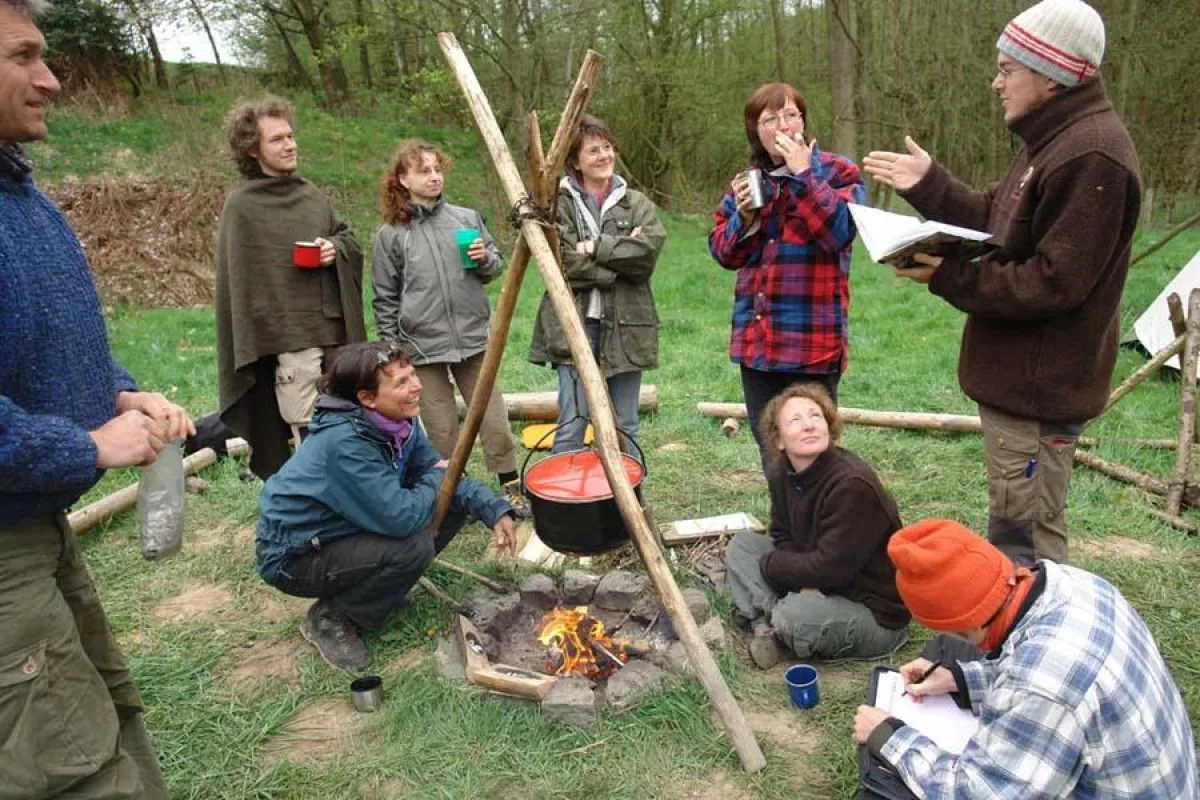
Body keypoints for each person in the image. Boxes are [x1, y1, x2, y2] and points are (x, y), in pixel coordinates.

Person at [862, 0, 1140, 566]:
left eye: (1008, 68)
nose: (996, 83)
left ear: (1053, 74)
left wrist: (950, 275)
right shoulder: (1054, 141)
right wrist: (930, 184)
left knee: (1026, 540)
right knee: (1015, 521)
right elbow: (997, 217)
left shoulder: (1092, 156)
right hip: (1021, 385)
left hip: (1038, 391)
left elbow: (1053, 283)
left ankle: (1035, 645)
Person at [0, 2, 193, 793]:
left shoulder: (21, 196)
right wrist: (86, 446)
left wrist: (117, 394)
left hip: (34, 518)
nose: (51, 78)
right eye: (23, 57)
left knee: (106, 709)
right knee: (65, 767)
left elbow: (39, 343)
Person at [852, 519, 1198, 798]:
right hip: (1151, 777)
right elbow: (1040, 669)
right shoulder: (1072, 582)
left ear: (959, 623)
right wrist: (960, 681)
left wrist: (890, 736)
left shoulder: (1042, 687)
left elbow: (979, 792)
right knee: (952, 660)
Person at [255, 342, 518, 672]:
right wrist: (439, 478)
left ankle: (377, 592)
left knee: (448, 504)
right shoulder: (345, 442)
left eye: (413, 376)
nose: (417, 385)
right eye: (402, 383)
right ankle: (332, 616)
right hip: (295, 555)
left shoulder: (397, 424)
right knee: (412, 544)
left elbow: (438, 475)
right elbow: (402, 516)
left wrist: (493, 508)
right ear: (367, 398)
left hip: (340, 531)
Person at [709, 82, 866, 466]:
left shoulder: (838, 173)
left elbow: (839, 233)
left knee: (813, 451)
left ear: (804, 122)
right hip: (758, 344)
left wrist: (803, 176)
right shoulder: (748, 181)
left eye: (791, 115)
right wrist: (743, 219)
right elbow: (724, 253)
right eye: (770, 119)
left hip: (810, 343)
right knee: (771, 449)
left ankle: (820, 524)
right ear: (756, 132)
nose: (783, 125)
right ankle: (785, 525)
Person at [215, 96, 367, 481]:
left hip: (332, 332)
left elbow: (347, 236)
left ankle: (350, 492)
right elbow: (240, 283)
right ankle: (314, 501)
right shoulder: (241, 206)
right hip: (285, 344)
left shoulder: (311, 194)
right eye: (277, 139)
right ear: (253, 149)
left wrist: (336, 249)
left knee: (349, 420)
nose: (290, 144)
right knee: (308, 429)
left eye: (291, 136)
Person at [372, 140, 527, 513]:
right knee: (441, 429)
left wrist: (483, 259)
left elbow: (493, 267)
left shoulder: (466, 218)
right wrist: (392, 351)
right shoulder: (390, 235)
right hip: (420, 347)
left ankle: (511, 486)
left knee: (493, 417)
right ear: (403, 180)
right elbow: (385, 298)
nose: (434, 176)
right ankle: (455, 493)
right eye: (423, 170)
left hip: (472, 339)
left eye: (437, 169)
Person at [725, 384, 909, 668]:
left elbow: (831, 569)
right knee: (743, 545)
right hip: (822, 578)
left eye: (816, 416)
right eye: (795, 420)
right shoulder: (782, 471)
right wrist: (803, 580)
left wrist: (776, 568)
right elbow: (782, 534)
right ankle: (769, 627)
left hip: (873, 611)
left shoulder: (851, 485)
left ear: (829, 426)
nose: (809, 425)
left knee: (794, 613)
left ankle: (777, 622)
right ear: (779, 440)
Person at [528, 115, 666, 453]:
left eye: (607, 147)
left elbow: (647, 254)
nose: (604, 155)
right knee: (573, 423)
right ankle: (566, 504)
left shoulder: (636, 203)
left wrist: (595, 247)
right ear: (575, 160)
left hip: (627, 325)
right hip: (573, 323)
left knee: (627, 424)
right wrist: (616, 266)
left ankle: (629, 500)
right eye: (593, 150)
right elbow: (563, 264)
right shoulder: (557, 204)